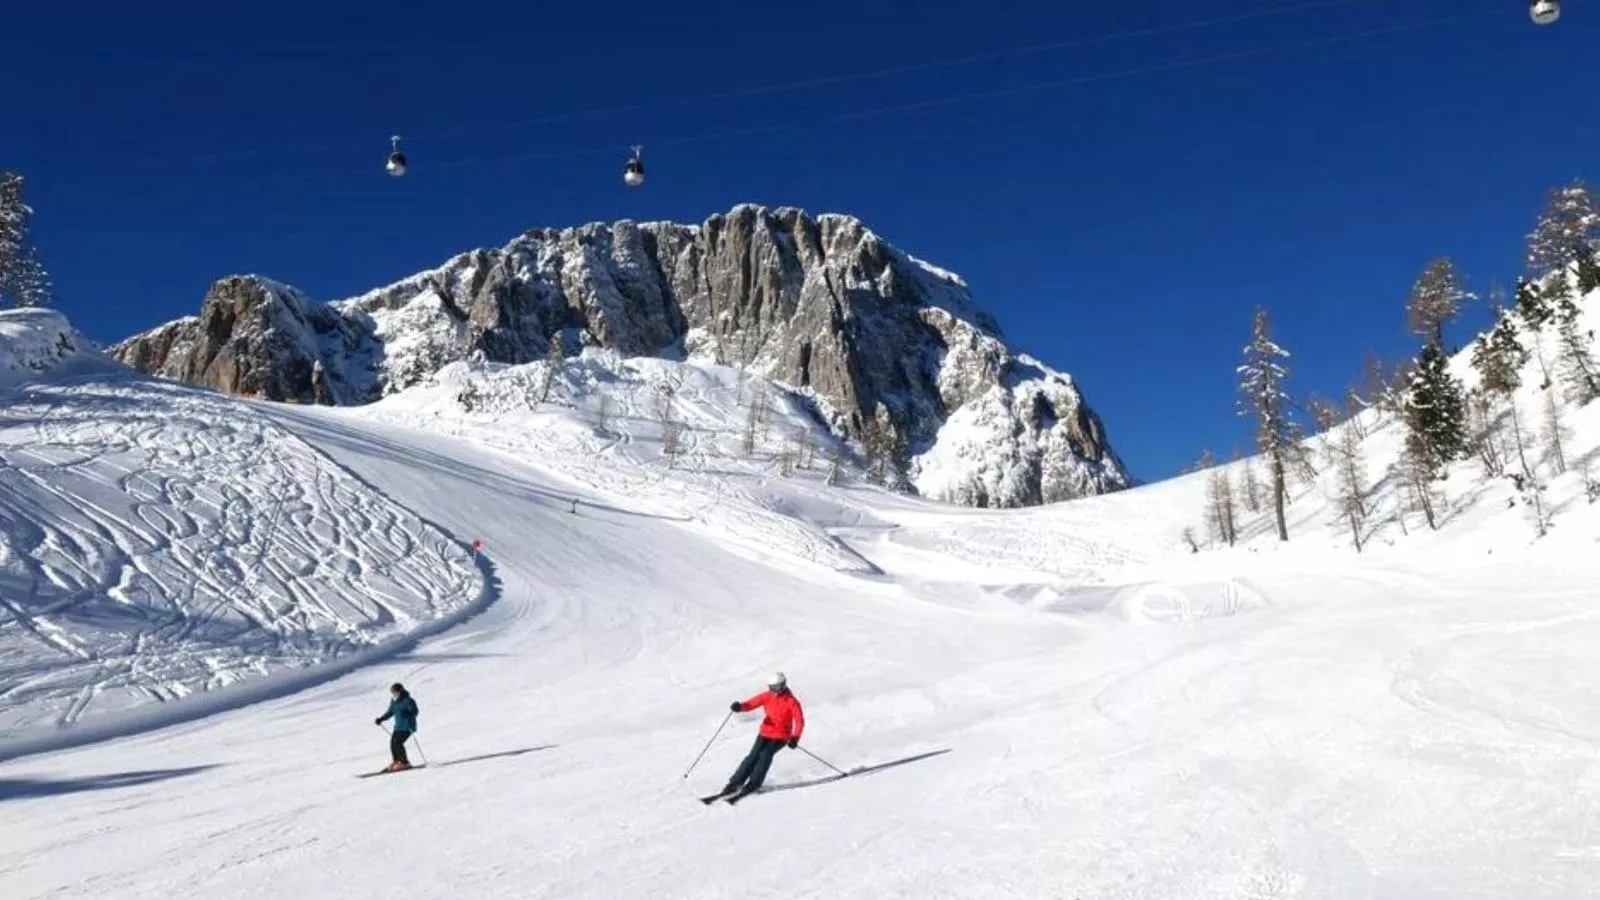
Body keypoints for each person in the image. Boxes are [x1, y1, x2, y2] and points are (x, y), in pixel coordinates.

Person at [719, 672, 804, 797]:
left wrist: (795, 737)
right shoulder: (768, 696)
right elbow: (750, 704)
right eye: (771, 687)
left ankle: (754, 783)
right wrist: (739, 707)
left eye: (775, 687)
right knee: (753, 756)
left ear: (783, 685)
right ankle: (735, 783)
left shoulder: (792, 701)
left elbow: (800, 721)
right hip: (765, 732)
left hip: (781, 736)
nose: (772, 690)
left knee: (765, 755)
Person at [375, 682, 419, 771]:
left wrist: (409, 712)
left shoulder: (408, 700)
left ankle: (405, 763)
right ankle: (397, 761)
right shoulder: (394, 702)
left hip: (408, 726)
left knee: (398, 743)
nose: (394, 694)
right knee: (393, 743)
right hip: (398, 727)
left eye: (395, 692)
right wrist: (381, 719)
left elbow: (415, 712)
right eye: (393, 692)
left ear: (400, 691)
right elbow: (390, 712)